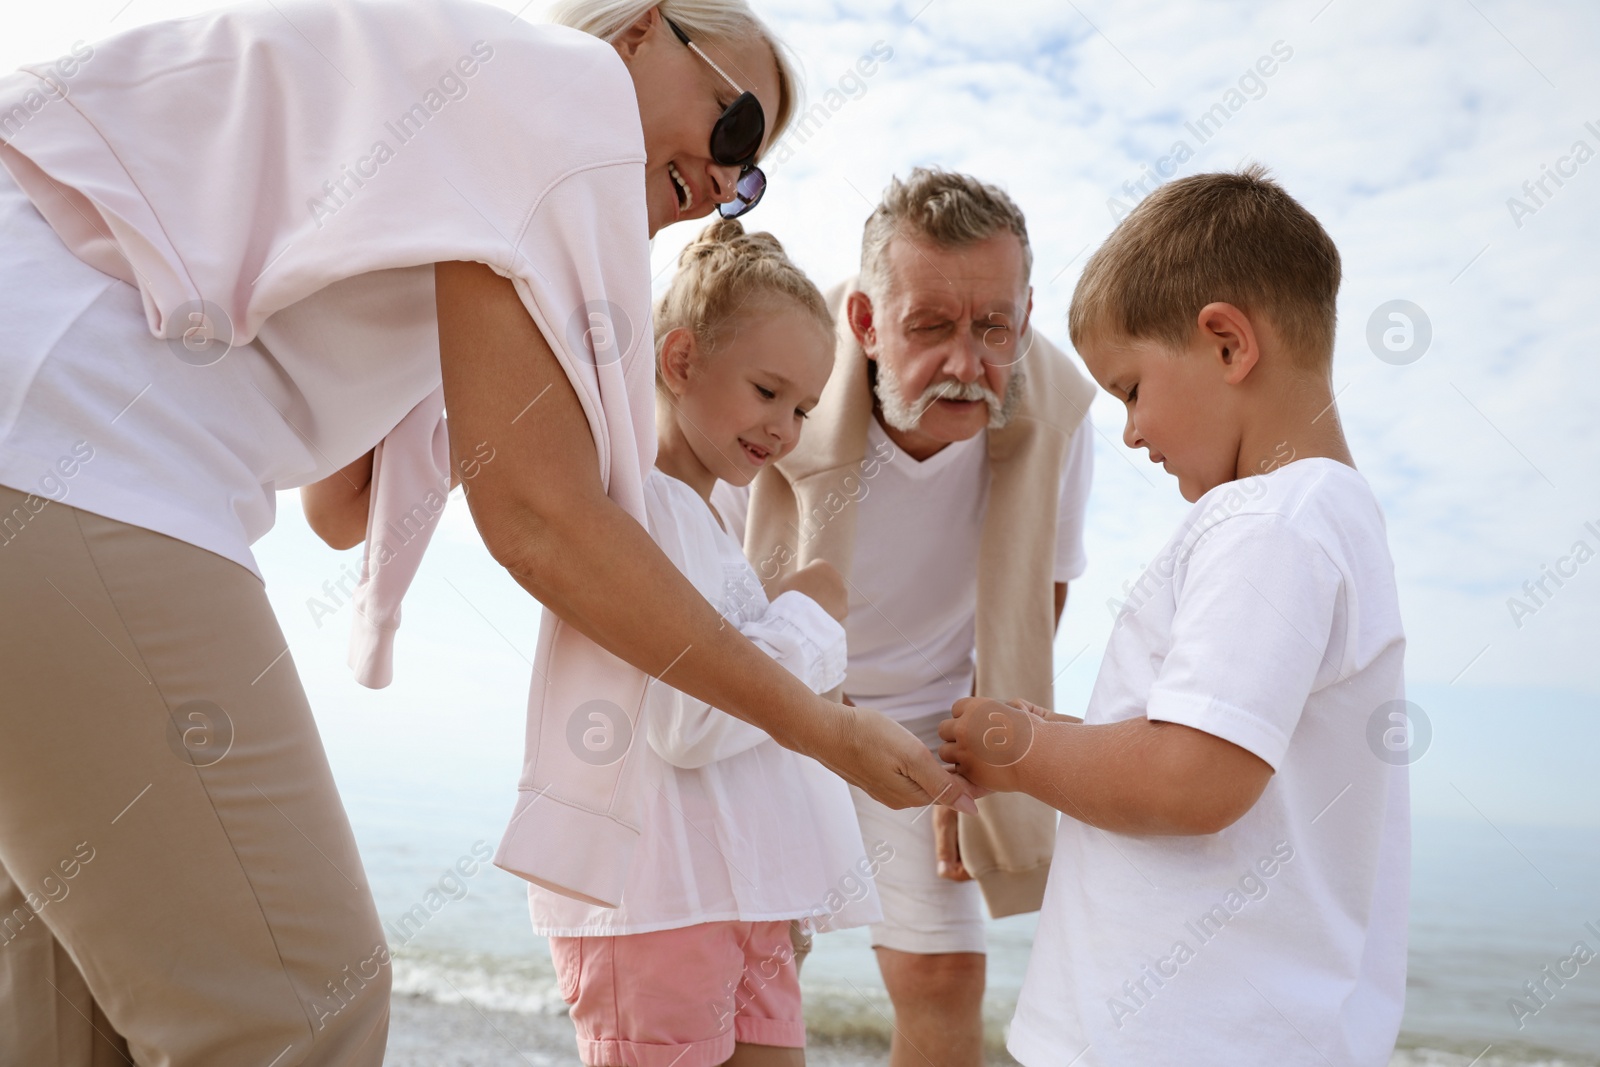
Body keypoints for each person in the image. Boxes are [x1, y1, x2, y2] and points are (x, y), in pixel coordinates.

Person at [0, 2, 974, 1063]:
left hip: (54, 428)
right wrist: (820, 722)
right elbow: (541, 521)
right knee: (296, 1008)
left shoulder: (459, 159)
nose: (721, 180)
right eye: (731, 123)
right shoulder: (559, 85)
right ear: (642, 28)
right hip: (60, 426)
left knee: (76, 1023)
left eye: (747, 178)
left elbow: (341, 510)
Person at [941, 166, 1409, 1067]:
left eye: (1130, 389)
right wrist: (1055, 739)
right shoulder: (1325, 520)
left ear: (1228, 343)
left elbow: (1189, 780)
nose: (1128, 433)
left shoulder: (1271, 523)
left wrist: (1018, 746)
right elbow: (1205, 745)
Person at [714, 168, 1098, 1066]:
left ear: (1025, 315)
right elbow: (707, 581)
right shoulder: (776, 378)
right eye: (930, 327)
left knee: (944, 979)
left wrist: (977, 753)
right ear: (865, 324)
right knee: (746, 978)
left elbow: (1044, 591)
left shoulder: (1057, 410)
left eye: (994, 327)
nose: (968, 364)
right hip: (770, 697)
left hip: (927, 724)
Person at [532, 218, 880, 1067]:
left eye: (802, 408)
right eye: (767, 392)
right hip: (656, 905)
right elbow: (690, 719)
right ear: (681, 360)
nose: (786, 428)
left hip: (735, 896)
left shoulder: (712, 519)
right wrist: (808, 613)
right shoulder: (639, 509)